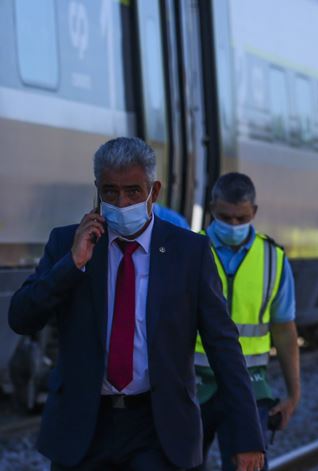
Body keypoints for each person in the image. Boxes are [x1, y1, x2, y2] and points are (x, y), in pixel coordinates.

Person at [8, 137, 265, 471]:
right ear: (97, 189)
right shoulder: (67, 243)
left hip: (158, 429)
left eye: (133, 191)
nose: (121, 201)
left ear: (154, 192)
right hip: (85, 428)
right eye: (110, 192)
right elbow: (21, 318)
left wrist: (247, 435)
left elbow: (224, 346)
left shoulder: (189, 253)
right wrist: (72, 264)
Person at [193, 173, 301, 471]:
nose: (233, 225)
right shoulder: (188, 249)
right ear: (212, 207)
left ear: (254, 212)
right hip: (193, 383)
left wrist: (293, 394)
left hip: (249, 385)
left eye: (241, 218)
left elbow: (284, 329)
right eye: (225, 216)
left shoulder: (273, 258)